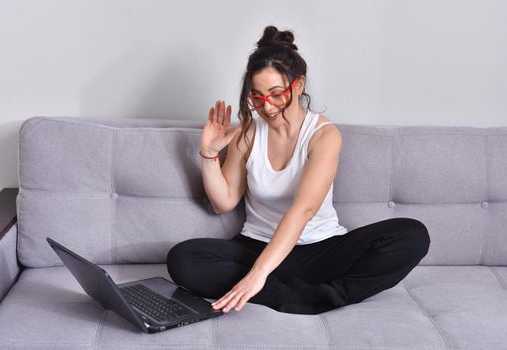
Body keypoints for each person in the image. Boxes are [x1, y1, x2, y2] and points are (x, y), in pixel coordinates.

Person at [166, 25, 430, 315]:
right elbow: (223, 202)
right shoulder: (249, 132)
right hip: (256, 245)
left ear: (299, 84)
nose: (267, 107)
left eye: (276, 94)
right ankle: (310, 298)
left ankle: (306, 293)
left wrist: (258, 275)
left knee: (412, 235)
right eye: (257, 96)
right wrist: (209, 153)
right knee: (183, 259)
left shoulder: (324, 136)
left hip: (320, 249)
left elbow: (302, 211)